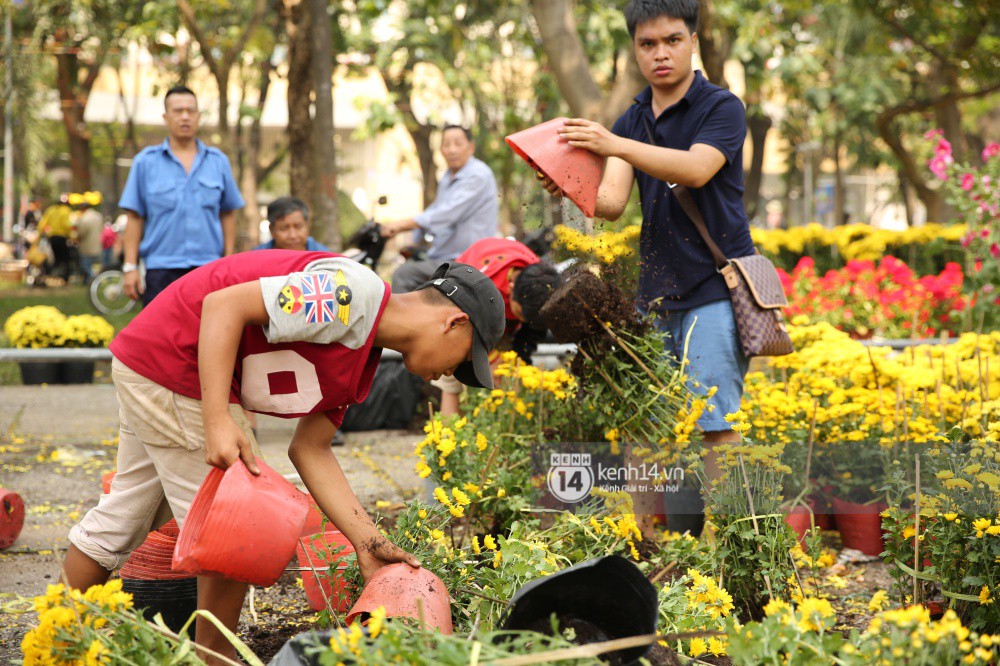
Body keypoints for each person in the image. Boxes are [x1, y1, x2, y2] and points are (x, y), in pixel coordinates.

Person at [61, 252, 504, 662]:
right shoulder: (349, 296)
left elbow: (309, 450)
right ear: (455, 323)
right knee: (233, 533)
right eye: (465, 361)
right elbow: (224, 306)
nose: (453, 376)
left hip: (155, 359)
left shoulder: (361, 356)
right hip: (177, 362)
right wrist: (217, 417)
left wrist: (367, 544)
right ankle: (215, 660)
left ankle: (58, 641)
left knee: (123, 516)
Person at [537, 0, 754, 481]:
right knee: (643, 421)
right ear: (635, 50)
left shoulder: (721, 107)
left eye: (673, 40)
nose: (661, 53)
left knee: (715, 424)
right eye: (647, 44)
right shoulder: (632, 119)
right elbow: (611, 202)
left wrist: (614, 145)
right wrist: (567, 179)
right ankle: (642, 541)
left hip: (716, 286)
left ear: (693, 43)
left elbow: (697, 169)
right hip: (653, 293)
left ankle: (732, 542)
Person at [119, 85, 244, 306]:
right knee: (160, 338)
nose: (185, 116)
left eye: (191, 110)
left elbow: (228, 213)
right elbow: (135, 217)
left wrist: (227, 262)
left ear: (198, 116)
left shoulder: (218, 161)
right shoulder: (145, 162)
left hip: (208, 268)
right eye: (178, 111)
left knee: (209, 337)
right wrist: (130, 267)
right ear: (166, 117)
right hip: (161, 269)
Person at [432, 237, 562, 415]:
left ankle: (498, 421)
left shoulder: (540, 281)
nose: (523, 322)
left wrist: (515, 358)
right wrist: (492, 361)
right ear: (511, 288)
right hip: (458, 311)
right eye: (520, 315)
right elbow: (463, 328)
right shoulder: (482, 284)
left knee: (505, 373)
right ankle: (448, 434)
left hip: (496, 316)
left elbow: (528, 332)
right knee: (453, 374)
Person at [380, 125, 499, 292]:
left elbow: (447, 213)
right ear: (441, 149)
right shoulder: (448, 176)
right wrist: (416, 237)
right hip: (443, 256)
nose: (452, 150)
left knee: (404, 274)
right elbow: (436, 208)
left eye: (458, 144)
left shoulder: (477, 174)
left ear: (471, 147)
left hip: (465, 261)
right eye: (446, 144)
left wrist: (401, 225)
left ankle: (399, 318)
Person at [254, 196, 329, 252]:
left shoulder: (324, 257)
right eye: (284, 228)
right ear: (271, 230)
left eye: (298, 227)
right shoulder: (257, 257)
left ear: (307, 226)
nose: (292, 235)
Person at [37, 196, 74, 280]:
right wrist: (71, 235)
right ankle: (65, 277)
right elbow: (67, 225)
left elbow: (42, 224)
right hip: (62, 238)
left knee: (55, 258)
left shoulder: (51, 210)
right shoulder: (66, 211)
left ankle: (53, 275)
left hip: (52, 238)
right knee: (65, 258)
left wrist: (39, 236)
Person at [75, 193, 104, 282]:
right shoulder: (98, 216)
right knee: (94, 265)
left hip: (87, 246)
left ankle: (94, 278)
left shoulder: (84, 218)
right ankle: (91, 279)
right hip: (98, 245)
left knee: (85, 265)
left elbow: (81, 233)